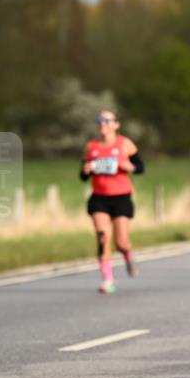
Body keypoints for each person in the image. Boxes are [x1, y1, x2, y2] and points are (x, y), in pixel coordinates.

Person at [81, 110, 145, 294]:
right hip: (99, 198)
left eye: (107, 120)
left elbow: (140, 167)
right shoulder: (91, 147)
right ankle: (108, 280)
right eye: (100, 120)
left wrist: (129, 166)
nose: (103, 123)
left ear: (116, 124)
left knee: (121, 242)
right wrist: (86, 170)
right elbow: (83, 175)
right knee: (102, 237)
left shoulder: (125, 144)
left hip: (121, 197)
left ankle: (127, 255)